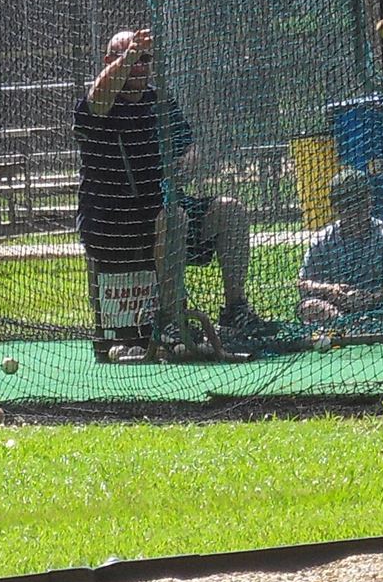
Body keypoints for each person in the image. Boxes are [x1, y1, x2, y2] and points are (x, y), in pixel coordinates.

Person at [74, 27, 261, 359]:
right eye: (130, 58)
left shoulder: (160, 102)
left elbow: (189, 149)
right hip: (113, 226)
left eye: (145, 59)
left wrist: (184, 165)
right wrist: (129, 54)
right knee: (173, 218)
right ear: (109, 61)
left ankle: (236, 312)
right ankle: (170, 320)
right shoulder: (97, 106)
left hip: (165, 212)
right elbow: (98, 97)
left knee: (230, 211)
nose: (139, 66)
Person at [295, 167, 383, 336]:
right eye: (347, 206)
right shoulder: (322, 239)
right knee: (309, 306)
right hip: (336, 306)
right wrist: (331, 290)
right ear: (336, 207)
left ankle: (360, 325)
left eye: (360, 203)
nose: (355, 212)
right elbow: (303, 282)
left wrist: (373, 297)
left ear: (369, 202)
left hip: (380, 304)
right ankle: (347, 325)